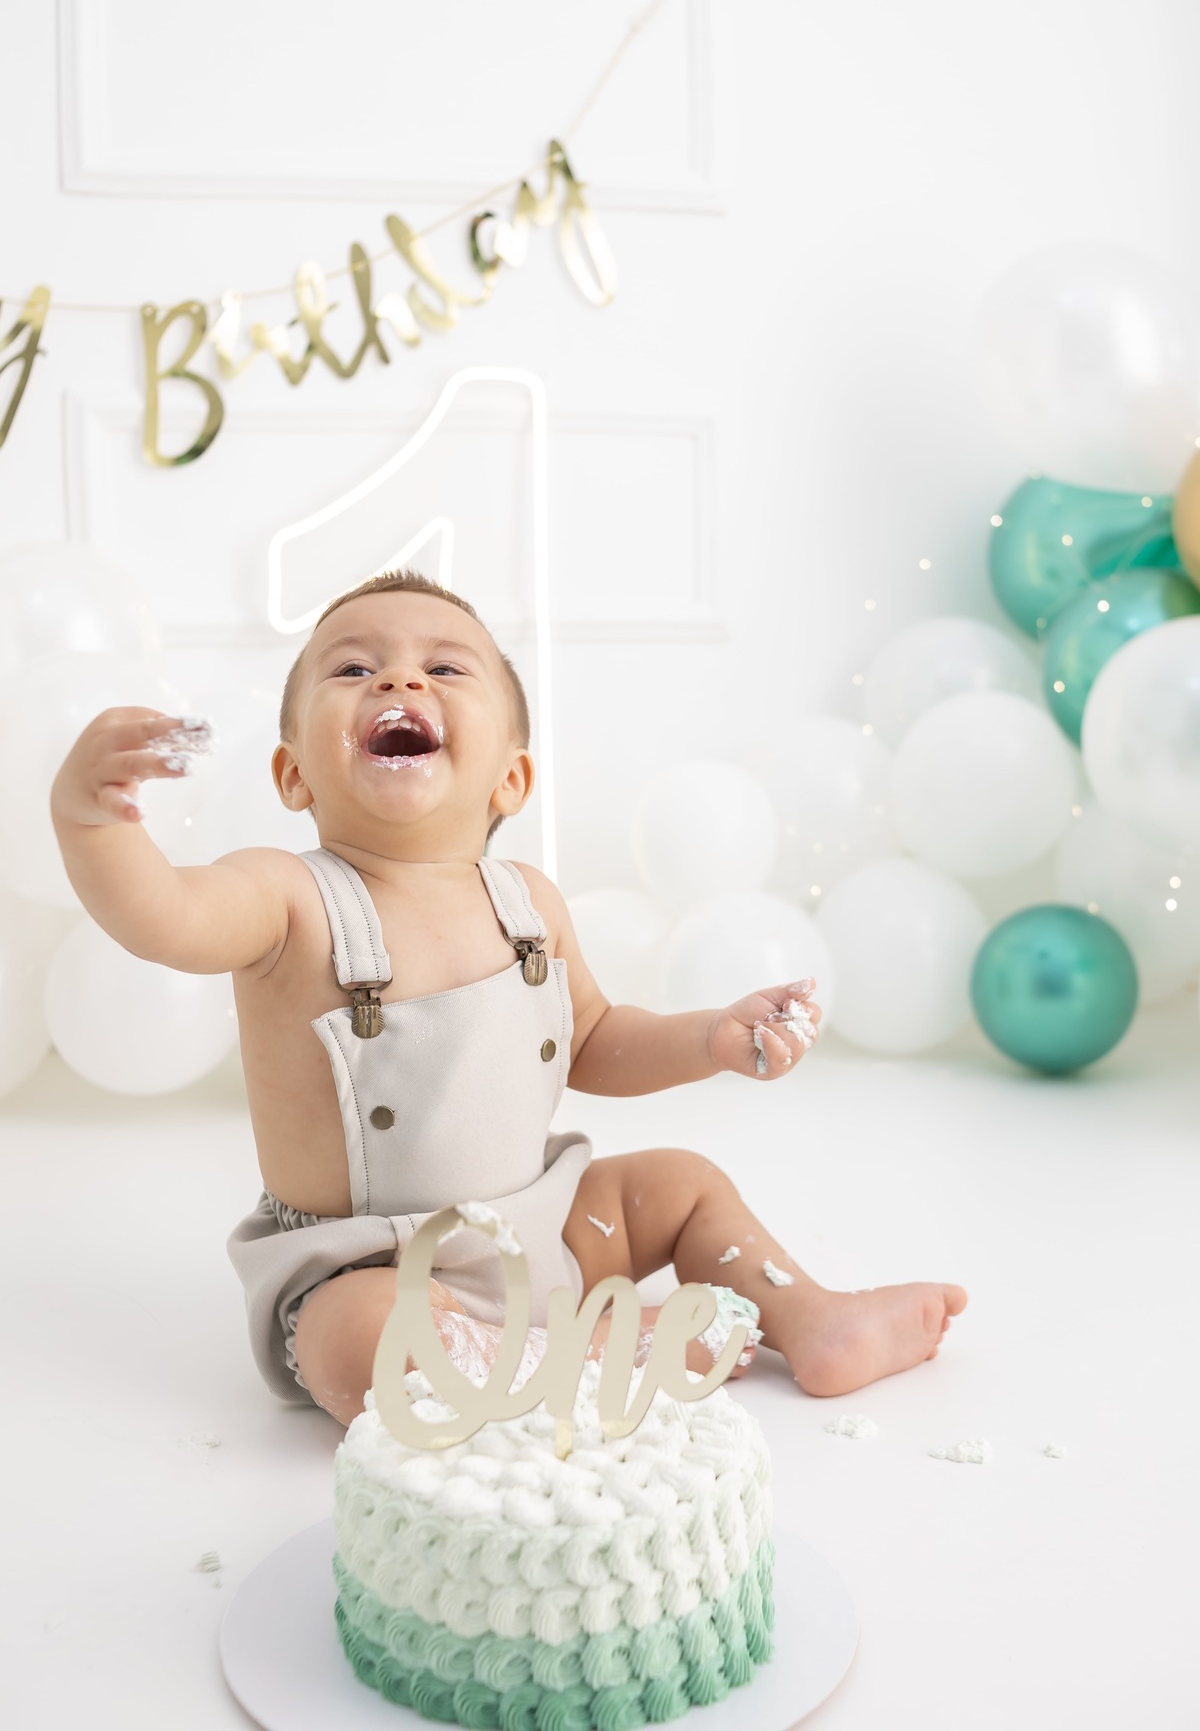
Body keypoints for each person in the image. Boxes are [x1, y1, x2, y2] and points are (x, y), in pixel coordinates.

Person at [50, 569, 966, 1427]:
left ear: (511, 779)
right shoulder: (285, 898)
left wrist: (708, 1038)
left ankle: (811, 1319)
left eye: (443, 667)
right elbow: (164, 917)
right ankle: (564, 1357)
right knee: (358, 1340)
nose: (399, 681)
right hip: (374, 1264)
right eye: (355, 667)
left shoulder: (529, 903)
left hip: (543, 1229)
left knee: (682, 1184)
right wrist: (91, 820)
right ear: (293, 775)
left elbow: (595, 1039)